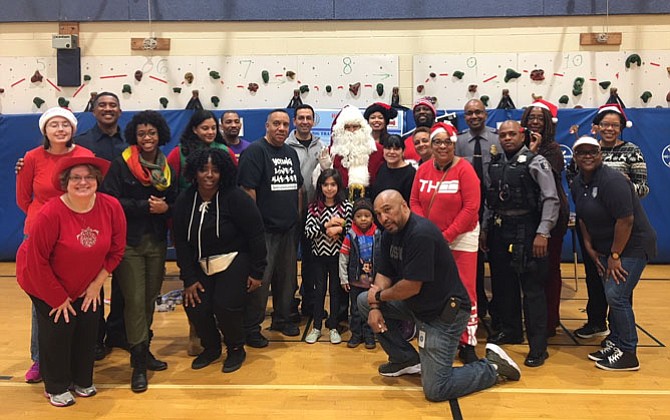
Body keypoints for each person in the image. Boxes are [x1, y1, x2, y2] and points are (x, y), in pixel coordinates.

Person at [357, 190, 520, 402]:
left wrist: (378, 297)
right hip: (418, 306)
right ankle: (404, 359)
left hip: (444, 314)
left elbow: (411, 287)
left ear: (404, 206)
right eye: (378, 214)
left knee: (436, 389)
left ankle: (493, 366)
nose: (383, 218)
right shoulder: (390, 234)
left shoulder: (420, 234)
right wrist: (374, 306)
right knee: (363, 301)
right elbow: (384, 273)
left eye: (387, 210)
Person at [16, 156, 126, 407]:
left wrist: (97, 284)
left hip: (88, 281)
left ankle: (82, 380)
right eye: (76, 177)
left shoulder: (111, 206)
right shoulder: (50, 213)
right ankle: (56, 386)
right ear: (65, 183)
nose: (83, 182)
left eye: (89, 176)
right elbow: (36, 262)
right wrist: (58, 297)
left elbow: (116, 251)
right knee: (59, 327)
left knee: (88, 325)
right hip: (40, 278)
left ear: (97, 180)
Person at [15, 107, 94, 384]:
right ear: (44, 131)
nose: (60, 129)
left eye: (65, 124)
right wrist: (46, 223)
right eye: (53, 125)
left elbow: (90, 194)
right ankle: (40, 359)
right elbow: (24, 199)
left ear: (72, 128)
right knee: (44, 299)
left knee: (76, 297)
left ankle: (72, 358)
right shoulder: (31, 159)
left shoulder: (85, 156)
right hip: (40, 236)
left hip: (75, 237)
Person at [100, 110, 176, 392]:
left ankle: (144, 349)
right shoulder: (121, 164)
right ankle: (138, 364)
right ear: (135, 135)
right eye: (142, 133)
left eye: (152, 133)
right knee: (133, 301)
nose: (147, 138)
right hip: (128, 243)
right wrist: (145, 207)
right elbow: (110, 201)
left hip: (156, 243)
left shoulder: (166, 167)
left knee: (148, 301)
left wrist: (167, 208)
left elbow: (176, 199)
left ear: (160, 135)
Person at [174, 148, 267, 373]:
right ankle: (211, 347)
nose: (209, 175)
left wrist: (257, 272)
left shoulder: (236, 198)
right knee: (194, 304)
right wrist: (188, 278)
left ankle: (236, 348)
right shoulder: (185, 200)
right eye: (203, 170)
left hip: (234, 259)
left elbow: (256, 235)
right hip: (200, 263)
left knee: (225, 305)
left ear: (223, 172)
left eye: (215, 170)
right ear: (194, 173)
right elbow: (180, 241)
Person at [570, 136, 656, 371]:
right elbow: (584, 216)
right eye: (582, 152)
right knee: (615, 296)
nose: (587, 156)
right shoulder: (578, 182)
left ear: (600, 154)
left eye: (592, 152)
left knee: (616, 296)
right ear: (575, 157)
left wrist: (615, 256)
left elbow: (626, 220)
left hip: (633, 246)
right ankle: (616, 342)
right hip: (606, 248)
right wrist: (588, 246)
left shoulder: (613, 181)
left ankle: (629, 352)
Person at [482, 120, 559, 368]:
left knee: (533, 290)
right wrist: (484, 230)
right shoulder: (495, 164)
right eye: (502, 135)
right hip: (499, 229)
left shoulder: (537, 162)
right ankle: (512, 330)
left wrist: (543, 232)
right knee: (504, 287)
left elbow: (551, 199)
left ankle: (538, 346)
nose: (506, 138)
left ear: (522, 135)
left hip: (528, 230)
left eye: (512, 134)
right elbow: (490, 202)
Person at [410, 122, 481, 364]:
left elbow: (471, 207)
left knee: (465, 290)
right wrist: (427, 231)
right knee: (435, 289)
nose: (442, 146)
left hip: (461, 238)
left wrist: (447, 235)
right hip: (433, 238)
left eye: (446, 142)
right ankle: (441, 335)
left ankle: (468, 342)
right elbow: (414, 202)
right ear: (430, 145)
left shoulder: (465, 169)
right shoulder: (422, 170)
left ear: (454, 144)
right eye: (437, 142)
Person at [238, 109, 304, 345]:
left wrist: (295, 218)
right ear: (267, 125)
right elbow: (248, 191)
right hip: (263, 231)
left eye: (285, 124)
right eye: (276, 123)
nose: (281, 128)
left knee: (287, 280)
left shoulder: (290, 153)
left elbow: (297, 188)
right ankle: (251, 327)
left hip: (288, 229)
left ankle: (282, 319)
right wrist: (253, 229)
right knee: (260, 281)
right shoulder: (255, 152)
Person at [73, 92, 128, 359]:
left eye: (113, 105)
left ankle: (118, 333)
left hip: (125, 220)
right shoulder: (81, 143)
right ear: (93, 111)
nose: (108, 109)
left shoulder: (130, 141)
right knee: (93, 281)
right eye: (102, 105)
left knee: (123, 282)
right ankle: (95, 338)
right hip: (90, 222)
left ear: (120, 110)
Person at [520, 99, 570, 337]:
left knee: (550, 270)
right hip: (527, 217)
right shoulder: (519, 146)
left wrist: (533, 152)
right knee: (529, 273)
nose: (536, 122)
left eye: (540, 118)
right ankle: (531, 319)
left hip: (551, 217)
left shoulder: (553, 150)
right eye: (531, 117)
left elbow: (538, 177)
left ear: (548, 123)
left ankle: (550, 322)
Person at [456, 98, 500, 330]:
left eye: (478, 112)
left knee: (499, 264)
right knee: (473, 264)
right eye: (469, 113)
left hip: (495, 205)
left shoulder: (497, 138)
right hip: (466, 207)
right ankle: (478, 307)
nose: (474, 117)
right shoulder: (459, 141)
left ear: (485, 114)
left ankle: (498, 313)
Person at [304, 169, 352, 344]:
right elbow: (308, 232)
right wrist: (326, 227)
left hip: (338, 258)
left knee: (335, 291)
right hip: (318, 257)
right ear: (320, 186)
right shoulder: (314, 207)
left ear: (339, 186)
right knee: (320, 291)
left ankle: (333, 326)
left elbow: (352, 232)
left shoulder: (346, 206)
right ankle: (316, 327)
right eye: (325, 184)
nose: (329, 188)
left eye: (333, 184)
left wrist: (340, 230)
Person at [286, 104, 325, 319]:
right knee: (289, 263)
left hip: (314, 214)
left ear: (313, 121)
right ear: (295, 121)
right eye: (300, 118)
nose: (304, 121)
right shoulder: (285, 146)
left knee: (312, 262)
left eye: (308, 118)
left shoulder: (322, 146)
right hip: (290, 214)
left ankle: (310, 303)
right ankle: (289, 305)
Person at [339, 198, 380, 350]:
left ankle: (369, 335)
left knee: (370, 309)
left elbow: (382, 259)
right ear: (353, 218)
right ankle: (356, 334)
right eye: (359, 216)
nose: (363, 219)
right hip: (355, 282)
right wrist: (344, 278)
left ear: (372, 217)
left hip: (372, 283)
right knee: (355, 310)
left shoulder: (377, 235)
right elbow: (343, 258)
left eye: (367, 215)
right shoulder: (350, 235)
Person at [168, 109, 237, 194]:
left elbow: (235, 181)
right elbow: (169, 184)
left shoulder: (226, 151)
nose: (210, 132)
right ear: (194, 129)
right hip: (187, 202)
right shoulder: (179, 152)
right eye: (205, 128)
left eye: (213, 128)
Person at [329, 105, 384, 200]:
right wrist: (324, 168)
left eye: (355, 127)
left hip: (369, 204)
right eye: (347, 127)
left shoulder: (377, 151)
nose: (351, 131)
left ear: (362, 128)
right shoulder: (332, 152)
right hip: (339, 203)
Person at [371, 134, 416, 205]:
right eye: (388, 148)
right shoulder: (381, 167)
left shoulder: (410, 173)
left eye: (396, 149)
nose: (391, 152)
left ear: (403, 151)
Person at [403, 98, 437, 163]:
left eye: (426, 109)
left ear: (433, 114)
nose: (421, 112)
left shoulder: (443, 136)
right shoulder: (405, 140)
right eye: (418, 110)